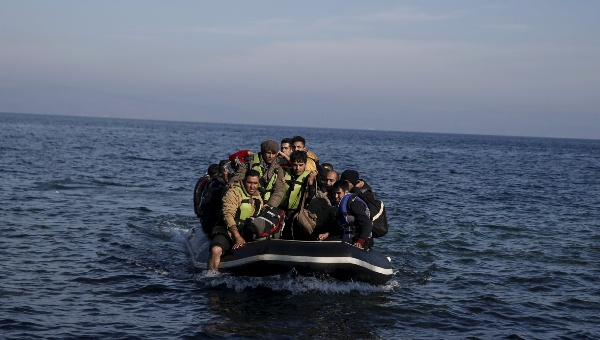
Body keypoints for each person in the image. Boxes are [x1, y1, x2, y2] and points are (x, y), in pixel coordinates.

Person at [207, 170, 263, 270]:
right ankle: (211, 277)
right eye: (249, 183)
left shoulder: (257, 196)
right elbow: (228, 215)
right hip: (227, 230)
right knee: (216, 250)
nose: (252, 186)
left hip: (245, 231)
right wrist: (237, 236)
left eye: (255, 183)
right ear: (244, 181)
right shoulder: (233, 193)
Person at [318, 180, 373, 249]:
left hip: (360, 239)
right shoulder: (338, 205)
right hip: (347, 237)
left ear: (346, 192)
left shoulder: (354, 204)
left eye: (338, 193)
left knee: (325, 245)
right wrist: (327, 234)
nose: (336, 196)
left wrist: (360, 241)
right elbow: (340, 225)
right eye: (334, 193)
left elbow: (367, 224)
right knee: (322, 242)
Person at [229, 140, 285, 208]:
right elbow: (240, 174)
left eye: (273, 153)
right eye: (268, 153)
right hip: (250, 199)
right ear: (263, 152)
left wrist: (270, 205)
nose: (270, 156)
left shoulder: (278, 168)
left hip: (267, 203)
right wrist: (233, 183)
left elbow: (279, 190)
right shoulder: (250, 162)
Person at [279, 150, 318, 239]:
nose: (298, 168)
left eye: (301, 165)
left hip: (298, 212)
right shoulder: (284, 173)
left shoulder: (309, 177)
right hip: (282, 210)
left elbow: (310, 198)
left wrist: (311, 183)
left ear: (305, 164)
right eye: (295, 165)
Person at [197, 160, 230, 234]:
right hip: (211, 226)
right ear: (221, 172)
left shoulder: (217, 184)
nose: (229, 173)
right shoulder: (217, 186)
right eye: (226, 170)